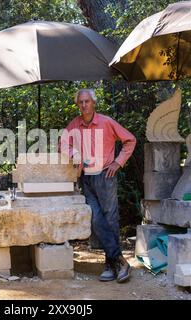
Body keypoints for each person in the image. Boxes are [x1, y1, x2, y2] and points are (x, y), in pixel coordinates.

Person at [60, 89, 136, 283]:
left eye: (87, 101)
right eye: (80, 102)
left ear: (93, 103)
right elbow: (62, 143)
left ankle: (110, 265)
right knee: (94, 218)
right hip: (86, 177)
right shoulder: (75, 124)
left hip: (105, 175)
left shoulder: (106, 122)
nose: (84, 105)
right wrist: (74, 154)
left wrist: (118, 162)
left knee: (110, 219)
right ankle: (119, 260)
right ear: (78, 105)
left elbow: (130, 140)